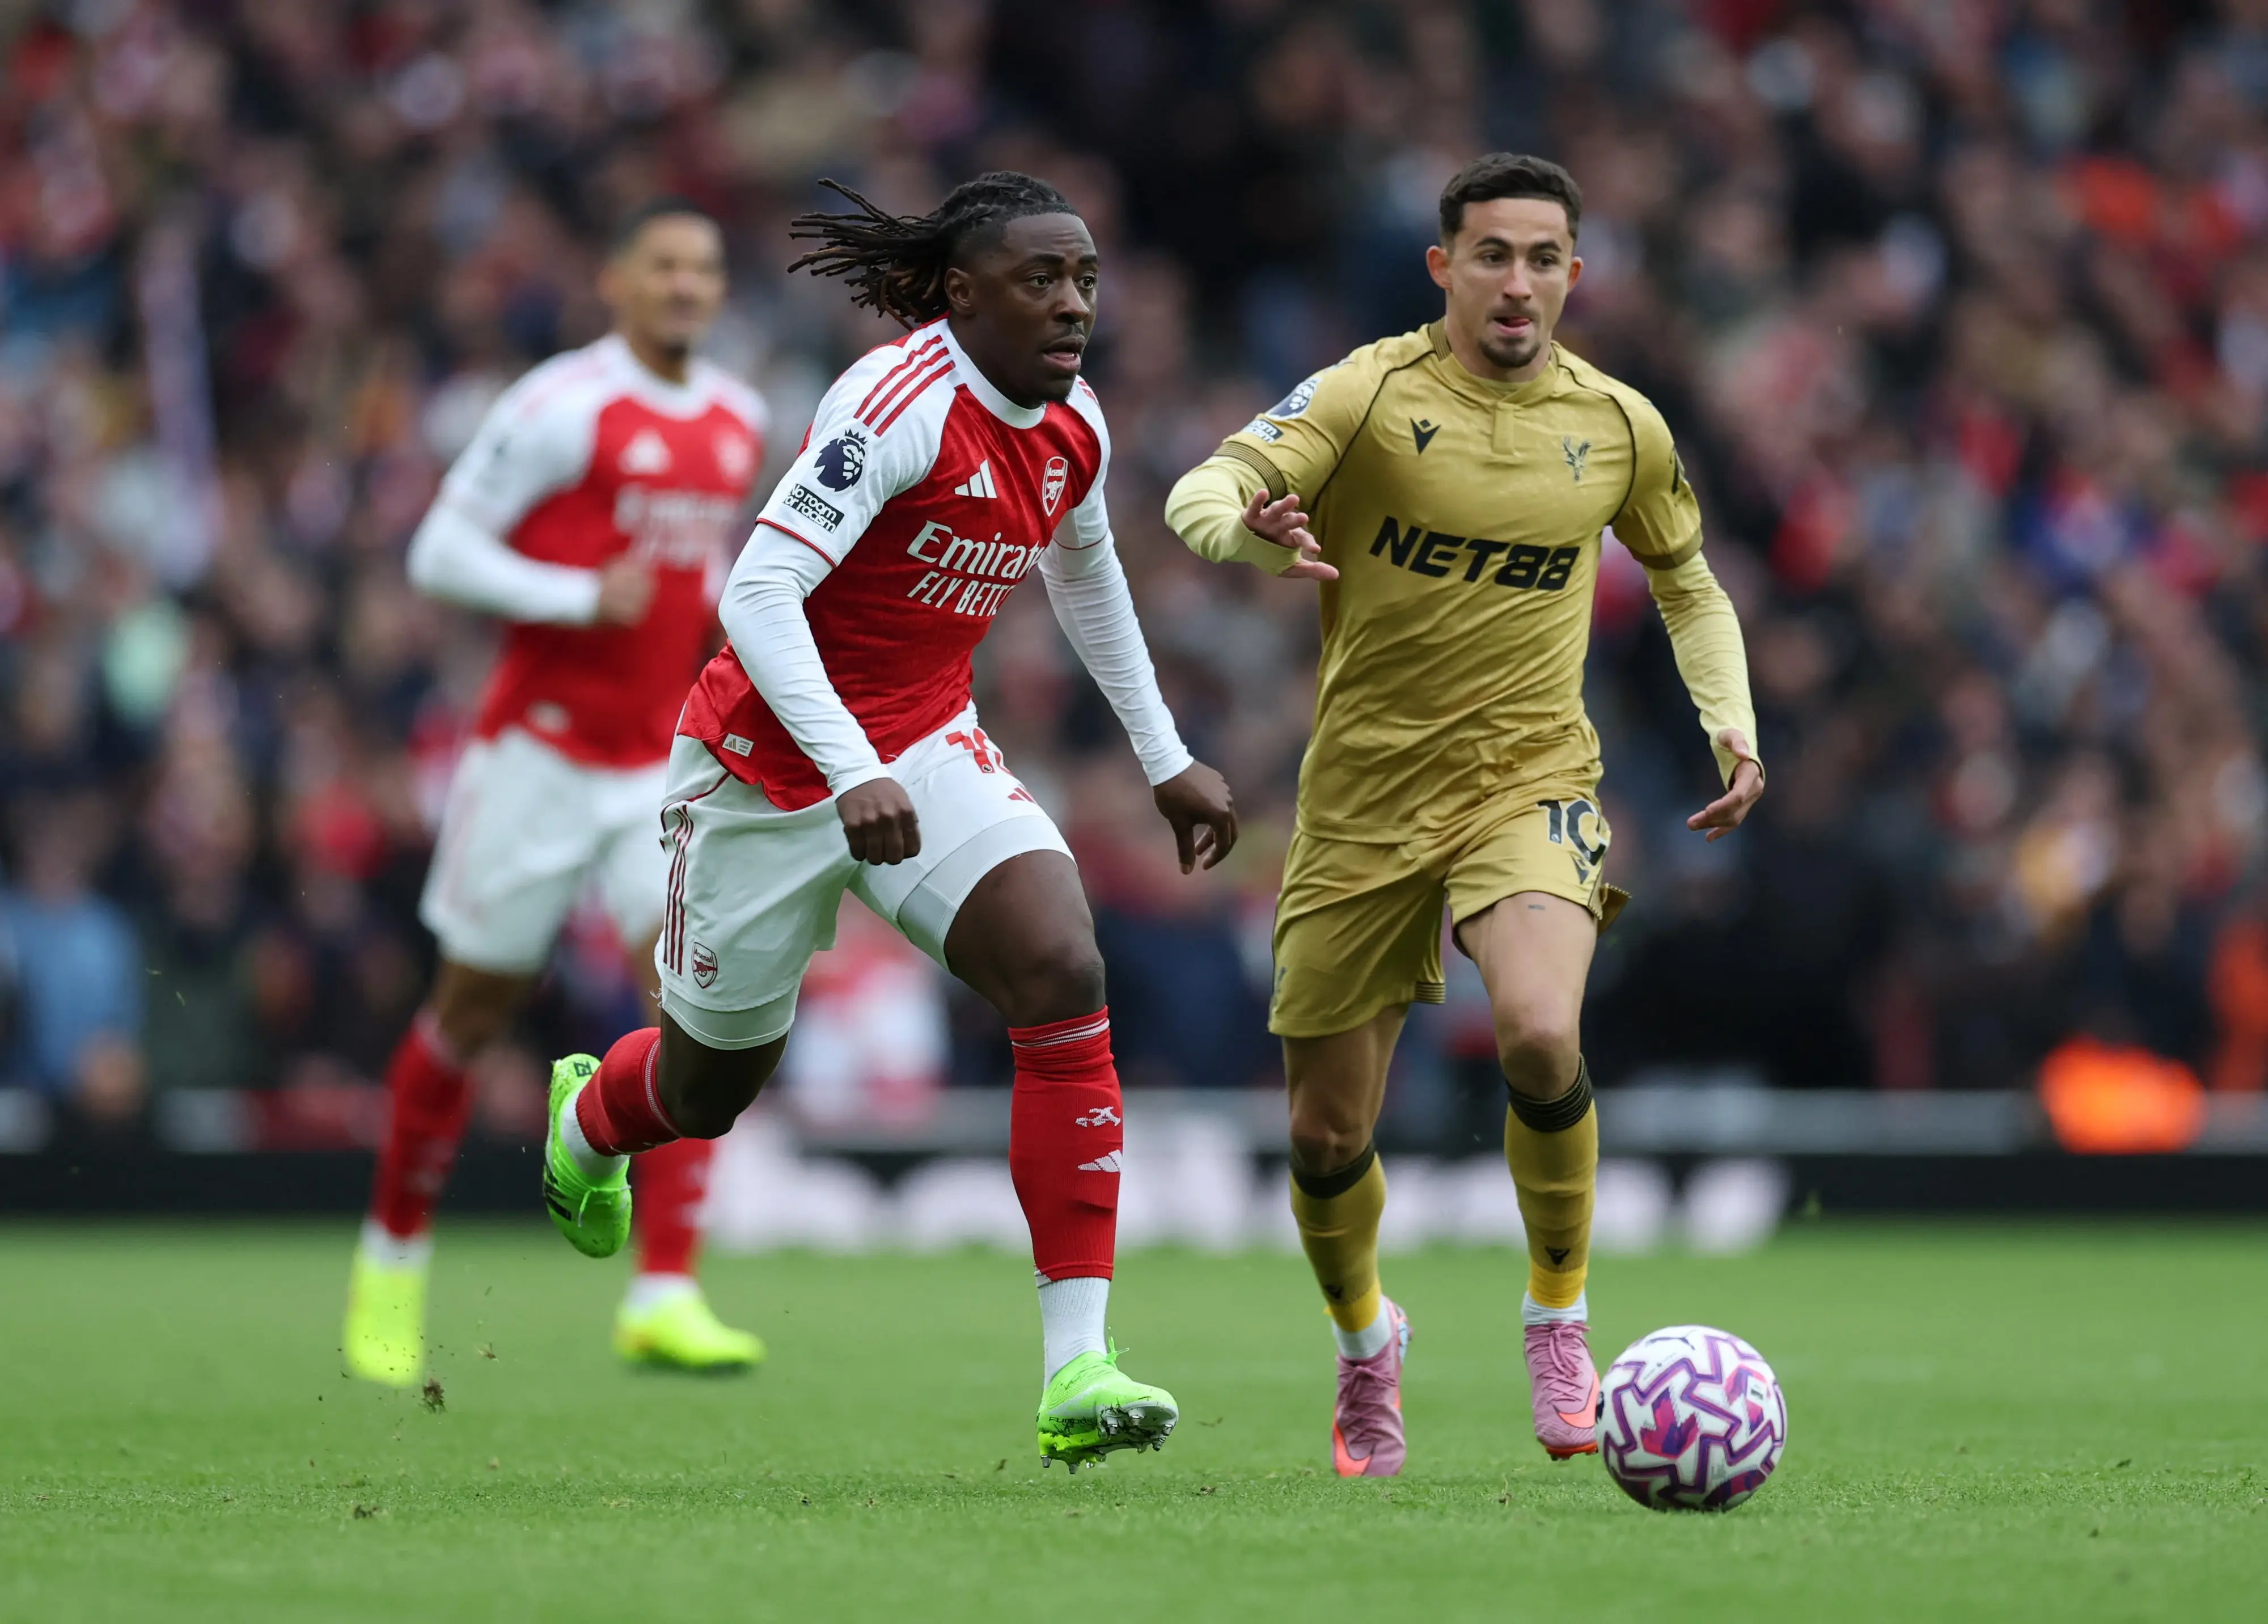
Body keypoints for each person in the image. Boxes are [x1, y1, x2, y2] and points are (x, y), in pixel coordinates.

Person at [535, 171, 1238, 1470]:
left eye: (1084, 278)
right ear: (961, 294)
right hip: (759, 767)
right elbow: (757, 593)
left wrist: (1164, 755)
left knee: (1059, 964)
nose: (1073, 303)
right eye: (1040, 279)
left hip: (920, 743)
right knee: (706, 1090)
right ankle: (592, 1120)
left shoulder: (1073, 420)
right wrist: (846, 766)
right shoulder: (895, 403)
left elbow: (1087, 575)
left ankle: (1076, 1365)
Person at [1165, 153, 1765, 1476]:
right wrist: (1253, 535)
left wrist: (1729, 718)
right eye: (1491, 254)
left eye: (1542, 258)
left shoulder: (1617, 425)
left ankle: (1557, 1319)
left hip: (1527, 776)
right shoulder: (1368, 395)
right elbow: (1199, 488)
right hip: (1361, 798)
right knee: (1325, 1135)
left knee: (1540, 1032)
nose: (1516, 282)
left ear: (1573, 275)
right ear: (1443, 267)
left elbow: (1686, 580)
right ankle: (1364, 1341)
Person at [343, 200, 769, 1385]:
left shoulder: (738, 419)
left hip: (658, 768)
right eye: (663, 265)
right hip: (535, 754)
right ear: (615, 280)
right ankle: (390, 1261)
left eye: (703, 268)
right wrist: (578, 595)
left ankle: (666, 1290)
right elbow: (439, 551)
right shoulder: (559, 405)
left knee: (695, 1011)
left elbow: (704, 566)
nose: (685, 285)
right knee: (469, 1013)